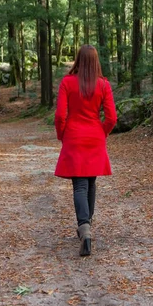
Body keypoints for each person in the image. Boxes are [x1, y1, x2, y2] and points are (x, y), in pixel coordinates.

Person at [54, 45, 117, 257]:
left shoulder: (67, 82)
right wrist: (103, 133)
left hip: (74, 136)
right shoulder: (103, 85)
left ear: (78, 60)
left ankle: (84, 227)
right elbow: (111, 118)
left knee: (80, 185)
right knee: (90, 182)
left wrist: (62, 134)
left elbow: (60, 115)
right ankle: (87, 225)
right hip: (94, 137)